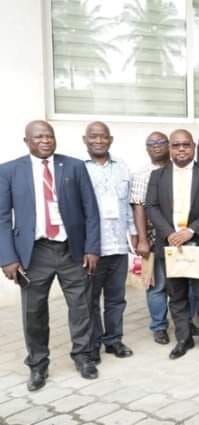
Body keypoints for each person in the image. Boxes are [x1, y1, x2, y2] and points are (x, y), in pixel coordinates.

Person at [1, 120, 101, 391]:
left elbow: (91, 210)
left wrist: (92, 248)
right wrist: (8, 258)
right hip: (34, 254)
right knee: (33, 312)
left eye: (49, 136)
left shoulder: (74, 166)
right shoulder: (9, 171)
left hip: (72, 250)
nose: (45, 140)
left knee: (81, 307)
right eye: (39, 137)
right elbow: (1, 218)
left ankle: (83, 357)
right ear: (27, 141)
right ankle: (37, 364)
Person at [145, 129, 199, 359]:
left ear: (193, 147)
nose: (181, 149)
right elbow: (151, 206)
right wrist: (170, 233)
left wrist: (191, 230)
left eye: (186, 145)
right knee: (176, 294)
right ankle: (183, 338)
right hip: (171, 245)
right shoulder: (158, 176)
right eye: (176, 145)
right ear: (170, 148)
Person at [82, 122, 135, 363]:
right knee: (91, 299)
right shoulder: (78, 169)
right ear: (86, 140)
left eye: (103, 137)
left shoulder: (122, 167)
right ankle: (93, 343)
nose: (99, 141)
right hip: (93, 248)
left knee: (116, 298)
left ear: (110, 140)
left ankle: (113, 340)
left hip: (118, 245)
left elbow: (129, 206)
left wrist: (134, 233)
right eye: (93, 137)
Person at [131, 131, 189, 346]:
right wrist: (142, 239)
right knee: (157, 284)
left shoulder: (182, 169)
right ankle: (159, 326)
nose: (156, 146)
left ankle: (186, 323)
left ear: (170, 146)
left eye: (161, 142)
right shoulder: (142, 174)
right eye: (151, 143)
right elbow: (139, 207)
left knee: (185, 280)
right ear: (147, 148)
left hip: (182, 236)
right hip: (155, 237)